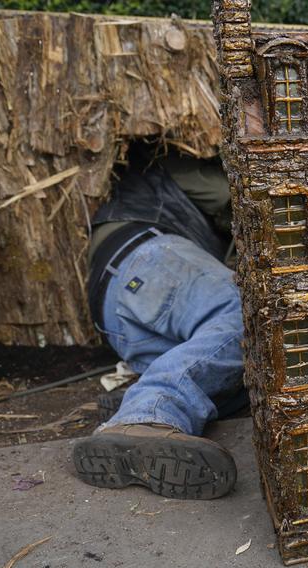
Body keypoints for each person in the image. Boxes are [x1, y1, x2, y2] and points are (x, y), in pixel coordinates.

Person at [72, 143, 244, 500]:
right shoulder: (175, 158)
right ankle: (148, 411)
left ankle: (141, 397)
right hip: (147, 257)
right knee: (252, 315)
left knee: (248, 373)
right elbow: (245, 199)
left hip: (123, 311)